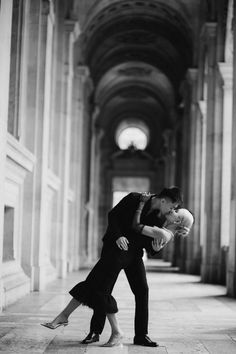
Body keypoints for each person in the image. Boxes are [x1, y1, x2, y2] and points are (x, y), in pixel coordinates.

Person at [41, 187, 184, 347]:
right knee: (103, 288)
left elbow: (150, 244)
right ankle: (95, 331)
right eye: (172, 206)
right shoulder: (134, 198)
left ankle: (141, 336)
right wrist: (118, 236)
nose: (173, 210)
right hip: (117, 248)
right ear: (163, 199)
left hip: (135, 254)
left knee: (141, 290)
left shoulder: (159, 218)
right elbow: (113, 215)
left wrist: (155, 249)